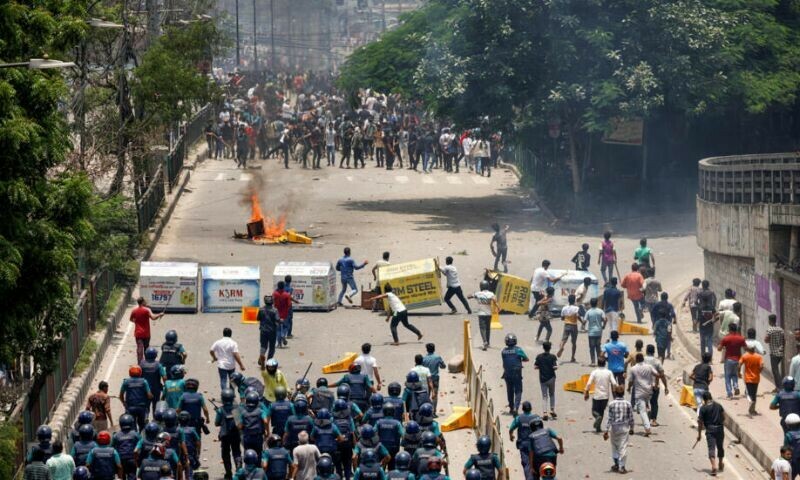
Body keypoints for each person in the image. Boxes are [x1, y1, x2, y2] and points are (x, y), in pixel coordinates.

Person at [626, 353, 660, 436]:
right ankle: (648, 409)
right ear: (643, 359)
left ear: (636, 360)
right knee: (644, 405)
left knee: (642, 411)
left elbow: (630, 381)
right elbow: (658, 375)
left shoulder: (633, 369)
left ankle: (647, 428)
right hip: (649, 391)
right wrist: (656, 384)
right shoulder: (649, 367)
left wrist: (629, 388)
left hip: (639, 392)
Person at [603, 385, 633, 474]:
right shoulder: (628, 404)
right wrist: (632, 428)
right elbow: (631, 417)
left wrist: (606, 430)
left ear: (615, 393)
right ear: (623, 393)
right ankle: (622, 467)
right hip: (624, 427)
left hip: (614, 428)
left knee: (615, 446)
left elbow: (609, 418)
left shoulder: (611, 404)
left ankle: (616, 464)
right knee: (623, 446)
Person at [584, 358, 617, 433]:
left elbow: (589, 383)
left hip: (597, 395)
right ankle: (598, 428)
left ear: (597, 363)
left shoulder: (594, 372)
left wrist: (586, 392)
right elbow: (614, 383)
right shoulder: (609, 372)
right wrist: (616, 391)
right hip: (605, 396)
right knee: (601, 411)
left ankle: (597, 417)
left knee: (594, 411)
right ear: (605, 364)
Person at [215, 389, 242, 479]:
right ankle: (238, 468)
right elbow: (239, 423)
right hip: (235, 435)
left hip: (225, 435)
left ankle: (228, 473)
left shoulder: (220, 410)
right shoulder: (236, 409)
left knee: (225, 454)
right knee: (237, 452)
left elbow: (216, 423)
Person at [697, 391, 726, 476]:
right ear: (711, 397)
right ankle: (720, 463)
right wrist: (720, 423)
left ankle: (714, 466)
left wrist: (699, 435)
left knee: (711, 448)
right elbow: (724, 417)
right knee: (720, 447)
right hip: (720, 428)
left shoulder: (703, 408)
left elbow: (700, 422)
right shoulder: (718, 405)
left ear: (704, 399)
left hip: (710, 430)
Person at [210, 328, 247, 392]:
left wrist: (214, 357)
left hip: (221, 365)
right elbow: (236, 354)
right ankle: (231, 394)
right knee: (232, 380)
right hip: (231, 365)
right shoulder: (233, 343)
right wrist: (241, 365)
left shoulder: (218, 342)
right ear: (231, 334)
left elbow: (211, 350)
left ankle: (225, 395)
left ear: (223, 334)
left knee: (223, 380)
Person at [501, 333, 529, 416]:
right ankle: (516, 408)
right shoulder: (518, 350)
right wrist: (520, 360)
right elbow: (526, 359)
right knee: (518, 390)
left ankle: (511, 408)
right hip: (516, 374)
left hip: (507, 374)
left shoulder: (503, 351)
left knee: (509, 391)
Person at [130, 297, 164, 364]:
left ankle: (140, 364)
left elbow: (131, 319)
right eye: (145, 301)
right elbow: (153, 317)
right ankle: (147, 363)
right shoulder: (147, 310)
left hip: (138, 333)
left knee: (139, 349)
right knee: (146, 348)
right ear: (142, 302)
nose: (146, 303)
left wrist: (137, 322)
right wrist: (159, 314)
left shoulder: (134, 311)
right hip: (146, 333)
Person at [119, 365, 152, 432]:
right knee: (142, 426)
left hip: (130, 407)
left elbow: (121, 395)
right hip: (141, 407)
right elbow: (149, 395)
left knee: (131, 426)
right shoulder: (144, 381)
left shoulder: (126, 382)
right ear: (140, 372)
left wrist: (124, 403)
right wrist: (151, 397)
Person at [718, 323, 747, 398]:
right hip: (738, 360)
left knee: (727, 376)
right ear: (736, 329)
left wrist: (723, 346)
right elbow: (746, 348)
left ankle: (729, 392)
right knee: (735, 375)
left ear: (729, 329)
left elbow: (719, 349)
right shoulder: (741, 338)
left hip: (729, 360)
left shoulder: (726, 338)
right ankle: (736, 386)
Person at [643, 345, 669, 426]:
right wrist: (666, 387)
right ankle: (653, 420)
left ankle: (646, 414)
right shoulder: (657, 362)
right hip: (654, 386)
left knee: (643, 401)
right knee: (654, 403)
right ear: (654, 352)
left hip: (643, 385)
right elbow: (662, 375)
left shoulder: (642, 360)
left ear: (646, 351)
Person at [470, 281, 498, 350]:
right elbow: (494, 299)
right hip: (489, 314)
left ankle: (484, 341)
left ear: (481, 287)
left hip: (481, 314)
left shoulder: (478, 294)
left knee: (482, 328)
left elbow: (469, 296)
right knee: (488, 328)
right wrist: (497, 306)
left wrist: (473, 295)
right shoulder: (491, 293)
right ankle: (488, 342)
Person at [534, 341, 558, 420]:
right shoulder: (553, 357)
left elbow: (535, 366)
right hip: (551, 378)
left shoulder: (539, 357)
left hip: (543, 379)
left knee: (544, 396)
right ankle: (552, 409)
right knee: (552, 394)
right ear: (550, 348)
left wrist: (541, 367)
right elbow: (555, 367)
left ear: (543, 348)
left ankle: (545, 412)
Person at [139, 348, 166, 417]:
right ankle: (155, 420)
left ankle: (145, 418)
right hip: (156, 389)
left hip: (144, 390)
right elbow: (164, 377)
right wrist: (166, 385)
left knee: (145, 407)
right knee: (156, 407)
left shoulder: (141, 364)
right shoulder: (158, 365)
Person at [273, 281, 301, 348]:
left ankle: (279, 343)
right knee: (286, 326)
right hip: (285, 314)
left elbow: (272, 302)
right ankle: (283, 335)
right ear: (283, 287)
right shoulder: (286, 295)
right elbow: (289, 305)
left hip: (277, 314)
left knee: (278, 329)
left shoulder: (275, 294)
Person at [557, 294, 582, 362]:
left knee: (563, 339)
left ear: (568, 300)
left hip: (567, 325)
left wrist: (566, 318)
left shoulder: (564, 308)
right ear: (574, 300)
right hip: (574, 326)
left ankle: (561, 347)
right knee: (573, 342)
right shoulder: (576, 308)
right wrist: (582, 322)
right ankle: (572, 357)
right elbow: (578, 316)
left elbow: (562, 318)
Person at [740, 344, 764, 415]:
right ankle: (753, 410)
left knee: (748, 393)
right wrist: (759, 371)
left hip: (748, 378)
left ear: (748, 349)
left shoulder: (745, 356)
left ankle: (751, 402)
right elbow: (762, 365)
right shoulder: (759, 357)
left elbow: (739, 364)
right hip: (756, 378)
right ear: (754, 349)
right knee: (754, 394)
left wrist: (738, 372)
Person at [422, 343, 446, 414]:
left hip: (427, 379)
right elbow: (443, 366)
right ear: (434, 349)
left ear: (427, 350)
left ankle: (426, 411)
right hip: (435, 379)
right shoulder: (438, 357)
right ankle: (433, 411)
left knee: (427, 395)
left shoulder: (424, 358)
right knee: (434, 395)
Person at [697, 280, 718, 358]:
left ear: (702, 285)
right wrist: (713, 307)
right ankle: (710, 357)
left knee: (702, 340)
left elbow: (696, 302)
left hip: (702, 325)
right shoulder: (711, 292)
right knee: (709, 341)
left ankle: (703, 356)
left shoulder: (700, 293)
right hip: (710, 324)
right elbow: (715, 300)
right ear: (708, 285)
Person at [258, 295, 280, 365]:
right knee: (272, 347)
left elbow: (258, 318)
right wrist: (281, 320)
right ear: (272, 302)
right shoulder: (275, 310)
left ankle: (262, 357)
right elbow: (277, 319)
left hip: (263, 331)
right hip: (272, 331)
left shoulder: (261, 309)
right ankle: (269, 361)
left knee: (263, 346)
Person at [765, 314, 786, 385]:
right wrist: (782, 349)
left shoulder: (770, 330)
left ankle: (780, 387)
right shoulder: (781, 329)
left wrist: (768, 339)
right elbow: (784, 341)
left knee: (775, 371)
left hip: (773, 353)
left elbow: (766, 340)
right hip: (780, 353)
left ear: (770, 321)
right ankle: (777, 387)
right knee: (775, 370)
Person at [585, 298, 606, 365]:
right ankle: (599, 361)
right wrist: (603, 326)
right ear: (597, 303)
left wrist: (581, 322)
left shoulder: (588, 312)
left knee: (591, 347)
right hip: (599, 331)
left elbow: (584, 321)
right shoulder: (600, 311)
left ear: (591, 304)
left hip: (591, 332)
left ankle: (593, 362)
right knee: (598, 347)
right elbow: (605, 319)